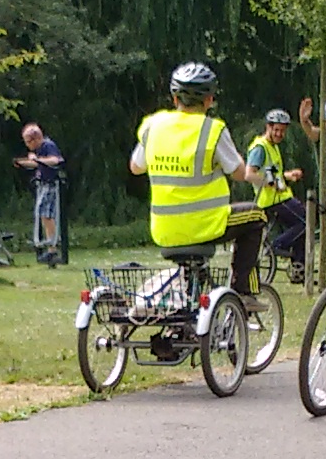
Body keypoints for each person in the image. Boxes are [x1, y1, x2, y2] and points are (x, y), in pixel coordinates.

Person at [126, 61, 261, 294]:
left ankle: (193, 294)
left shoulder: (154, 125)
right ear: (209, 100)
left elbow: (136, 167)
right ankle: (242, 291)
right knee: (257, 215)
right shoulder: (212, 129)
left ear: (174, 98)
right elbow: (240, 174)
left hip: (164, 229)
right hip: (206, 225)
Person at [247, 108, 306, 281]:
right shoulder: (260, 148)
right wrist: (269, 184)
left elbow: (273, 174)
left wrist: (287, 176)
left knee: (304, 221)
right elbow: (249, 174)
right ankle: (275, 246)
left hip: (281, 196)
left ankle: (299, 270)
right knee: (304, 221)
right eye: (276, 130)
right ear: (268, 127)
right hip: (271, 201)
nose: (280, 134)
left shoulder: (273, 147)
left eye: (283, 131)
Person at [14, 121, 68, 265]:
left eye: (28, 142)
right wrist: (22, 163)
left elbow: (54, 160)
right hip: (42, 185)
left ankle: (53, 247)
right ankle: (50, 248)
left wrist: (36, 159)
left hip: (51, 185)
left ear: (36, 138)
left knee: (46, 215)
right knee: (43, 215)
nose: (27, 145)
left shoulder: (48, 146)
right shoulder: (40, 149)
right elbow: (38, 164)